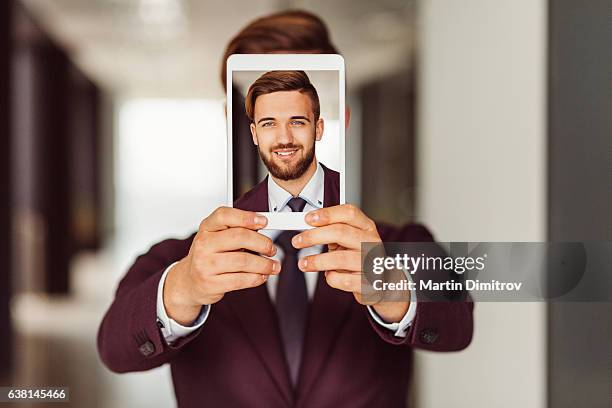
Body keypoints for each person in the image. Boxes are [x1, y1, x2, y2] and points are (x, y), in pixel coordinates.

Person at [97, 10, 473, 408]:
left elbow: (458, 326)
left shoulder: (400, 245)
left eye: (297, 113)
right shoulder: (182, 258)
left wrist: (394, 289)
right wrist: (184, 288)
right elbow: (114, 348)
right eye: (268, 115)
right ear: (249, 128)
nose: (284, 134)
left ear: (329, 120)